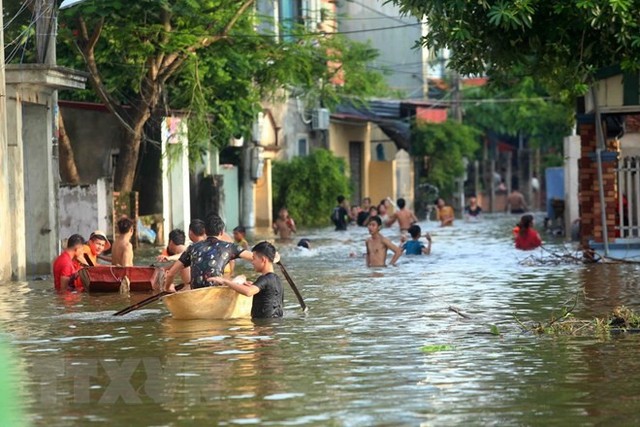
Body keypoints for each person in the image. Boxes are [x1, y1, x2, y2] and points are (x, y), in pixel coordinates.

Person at [164, 213, 254, 293]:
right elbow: (254, 257)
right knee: (242, 278)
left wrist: (167, 288)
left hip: (195, 292)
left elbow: (171, 273)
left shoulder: (192, 247)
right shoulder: (229, 246)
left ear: (205, 232)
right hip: (215, 291)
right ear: (222, 232)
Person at [208, 241, 284, 319]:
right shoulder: (277, 279)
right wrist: (254, 285)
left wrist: (225, 281)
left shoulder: (264, 279)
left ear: (263, 260)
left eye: (254, 258)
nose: (252, 262)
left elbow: (248, 292)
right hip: (274, 326)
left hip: (263, 327)